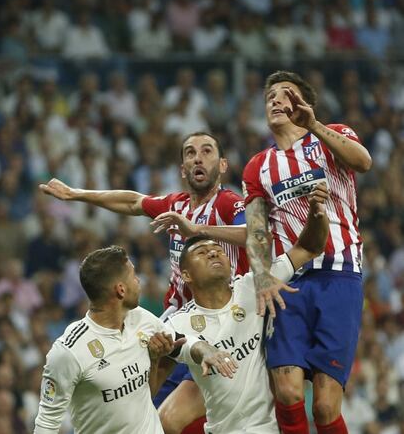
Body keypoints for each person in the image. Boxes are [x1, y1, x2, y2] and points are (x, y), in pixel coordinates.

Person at [39, 131, 250, 432]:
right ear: (182, 168)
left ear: (223, 165)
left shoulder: (229, 204)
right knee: (145, 406)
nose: (198, 158)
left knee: (173, 415)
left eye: (207, 151)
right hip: (177, 318)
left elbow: (256, 235)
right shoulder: (176, 204)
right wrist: (77, 194)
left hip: (221, 320)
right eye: (190, 153)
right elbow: (133, 202)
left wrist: (197, 229)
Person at [242, 70, 372, 434]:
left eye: (286, 94)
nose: (276, 101)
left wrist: (315, 125)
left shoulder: (332, 136)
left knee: (327, 407)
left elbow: (363, 162)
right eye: (270, 97)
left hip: (340, 275)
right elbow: (255, 228)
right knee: (285, 390)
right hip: (290, 280)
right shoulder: (258, 166)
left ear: (305, 104)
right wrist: (263, 274)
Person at [150, 181, 329, 434]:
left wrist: (317, 212)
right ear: (186, 275)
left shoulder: (254, 286)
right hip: (221, 429)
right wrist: (200, 349)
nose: (213, 253)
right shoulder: (177, 322)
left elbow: (309, 247)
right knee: (165, 419)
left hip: (267, 429)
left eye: (217, 250)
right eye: (202, 252)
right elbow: (181, 346)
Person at [33, 245, 236, 434]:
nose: (139, 281)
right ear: (121, 289)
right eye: (133, 276)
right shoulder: (69, 351)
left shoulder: (141, 319)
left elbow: (182, 344)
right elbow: (47, 422)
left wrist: (206, 351)